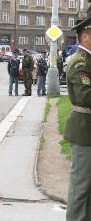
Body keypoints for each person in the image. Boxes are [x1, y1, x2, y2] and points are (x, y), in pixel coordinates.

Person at [64, 15, 91, 221]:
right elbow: (85, 96)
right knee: (81, 185)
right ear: (86, 37)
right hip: (83, 129)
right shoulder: (79, 62)